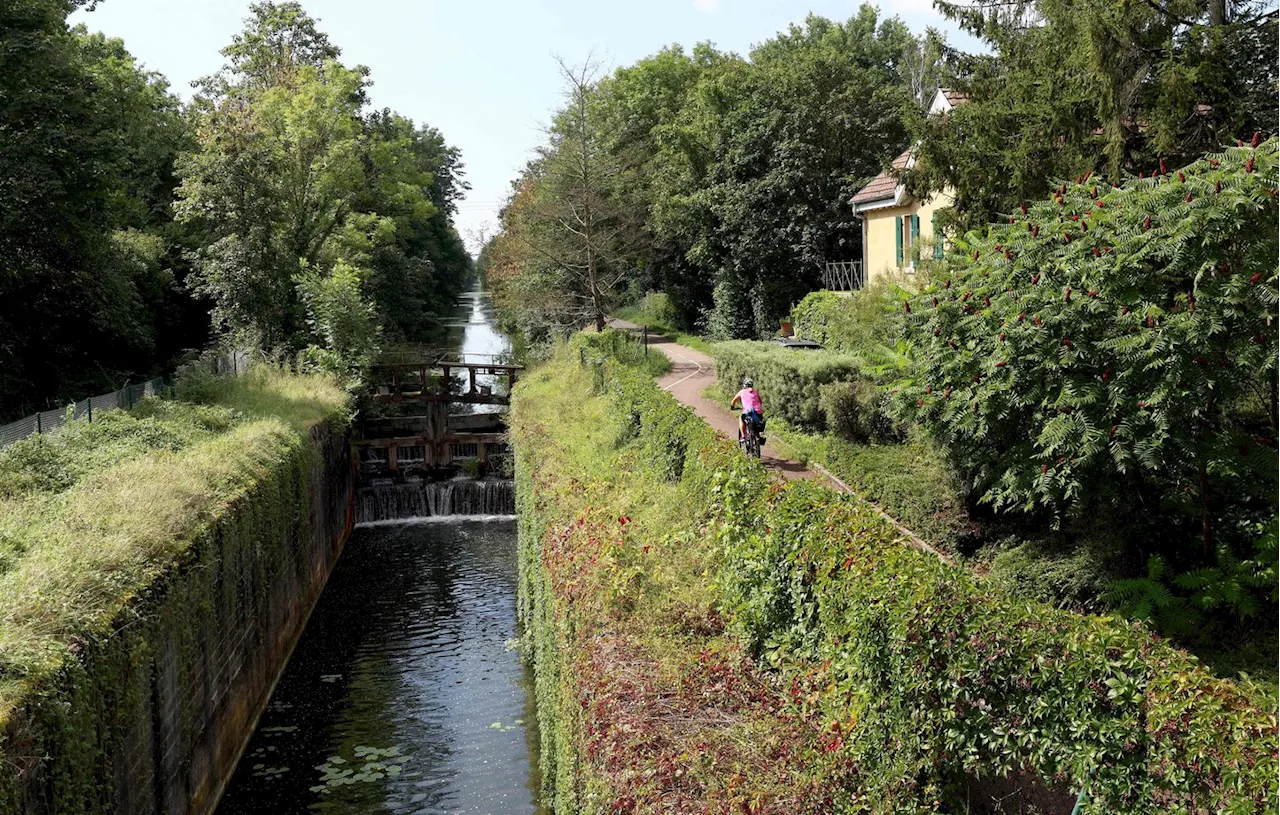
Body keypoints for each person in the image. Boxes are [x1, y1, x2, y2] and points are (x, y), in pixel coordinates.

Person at [729, 377, 765, 446]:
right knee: (757, 423)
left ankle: (743, 436)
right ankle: (758, 436)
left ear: (744, 385)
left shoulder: (742, 392)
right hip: (758, 412)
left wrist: (732, 407)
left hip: (747, 413)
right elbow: (760, 402)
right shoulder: (756, 391)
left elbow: (733, 401)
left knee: (741, 418)